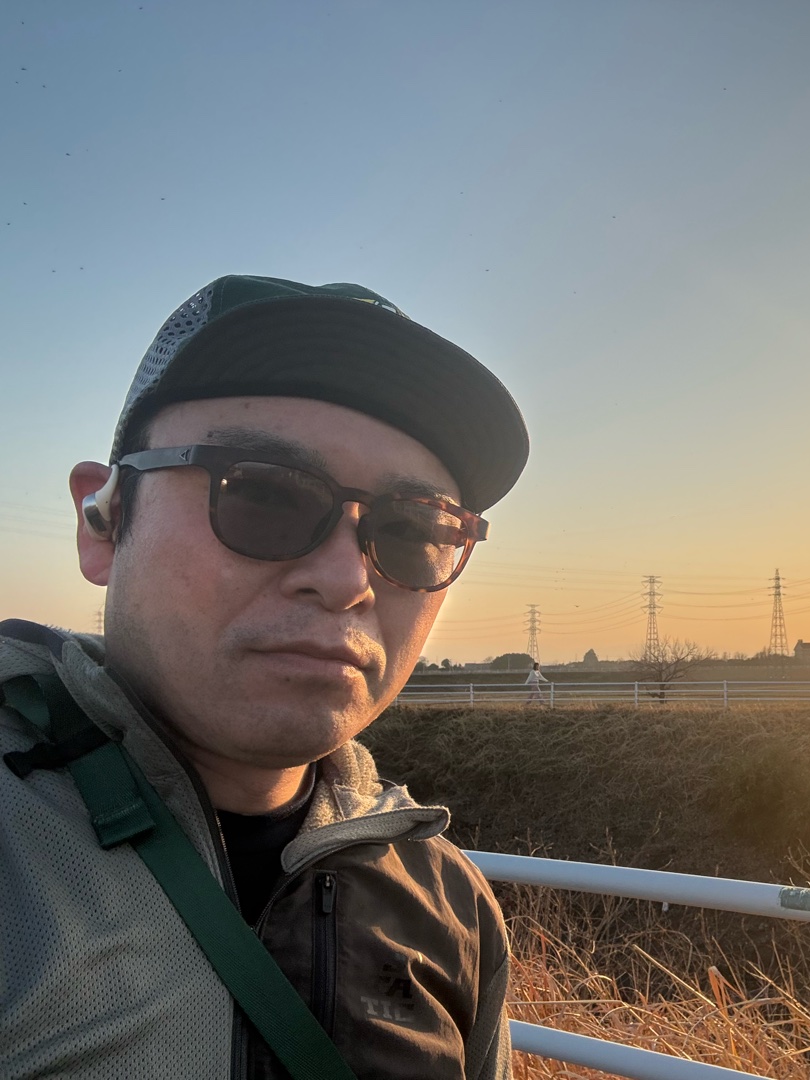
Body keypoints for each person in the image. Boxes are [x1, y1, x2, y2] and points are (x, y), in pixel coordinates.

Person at [0, 275, 529, 1079]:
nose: (347, 580)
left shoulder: (447, 906)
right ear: (102, 522)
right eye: (264, 495)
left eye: (415, 531)